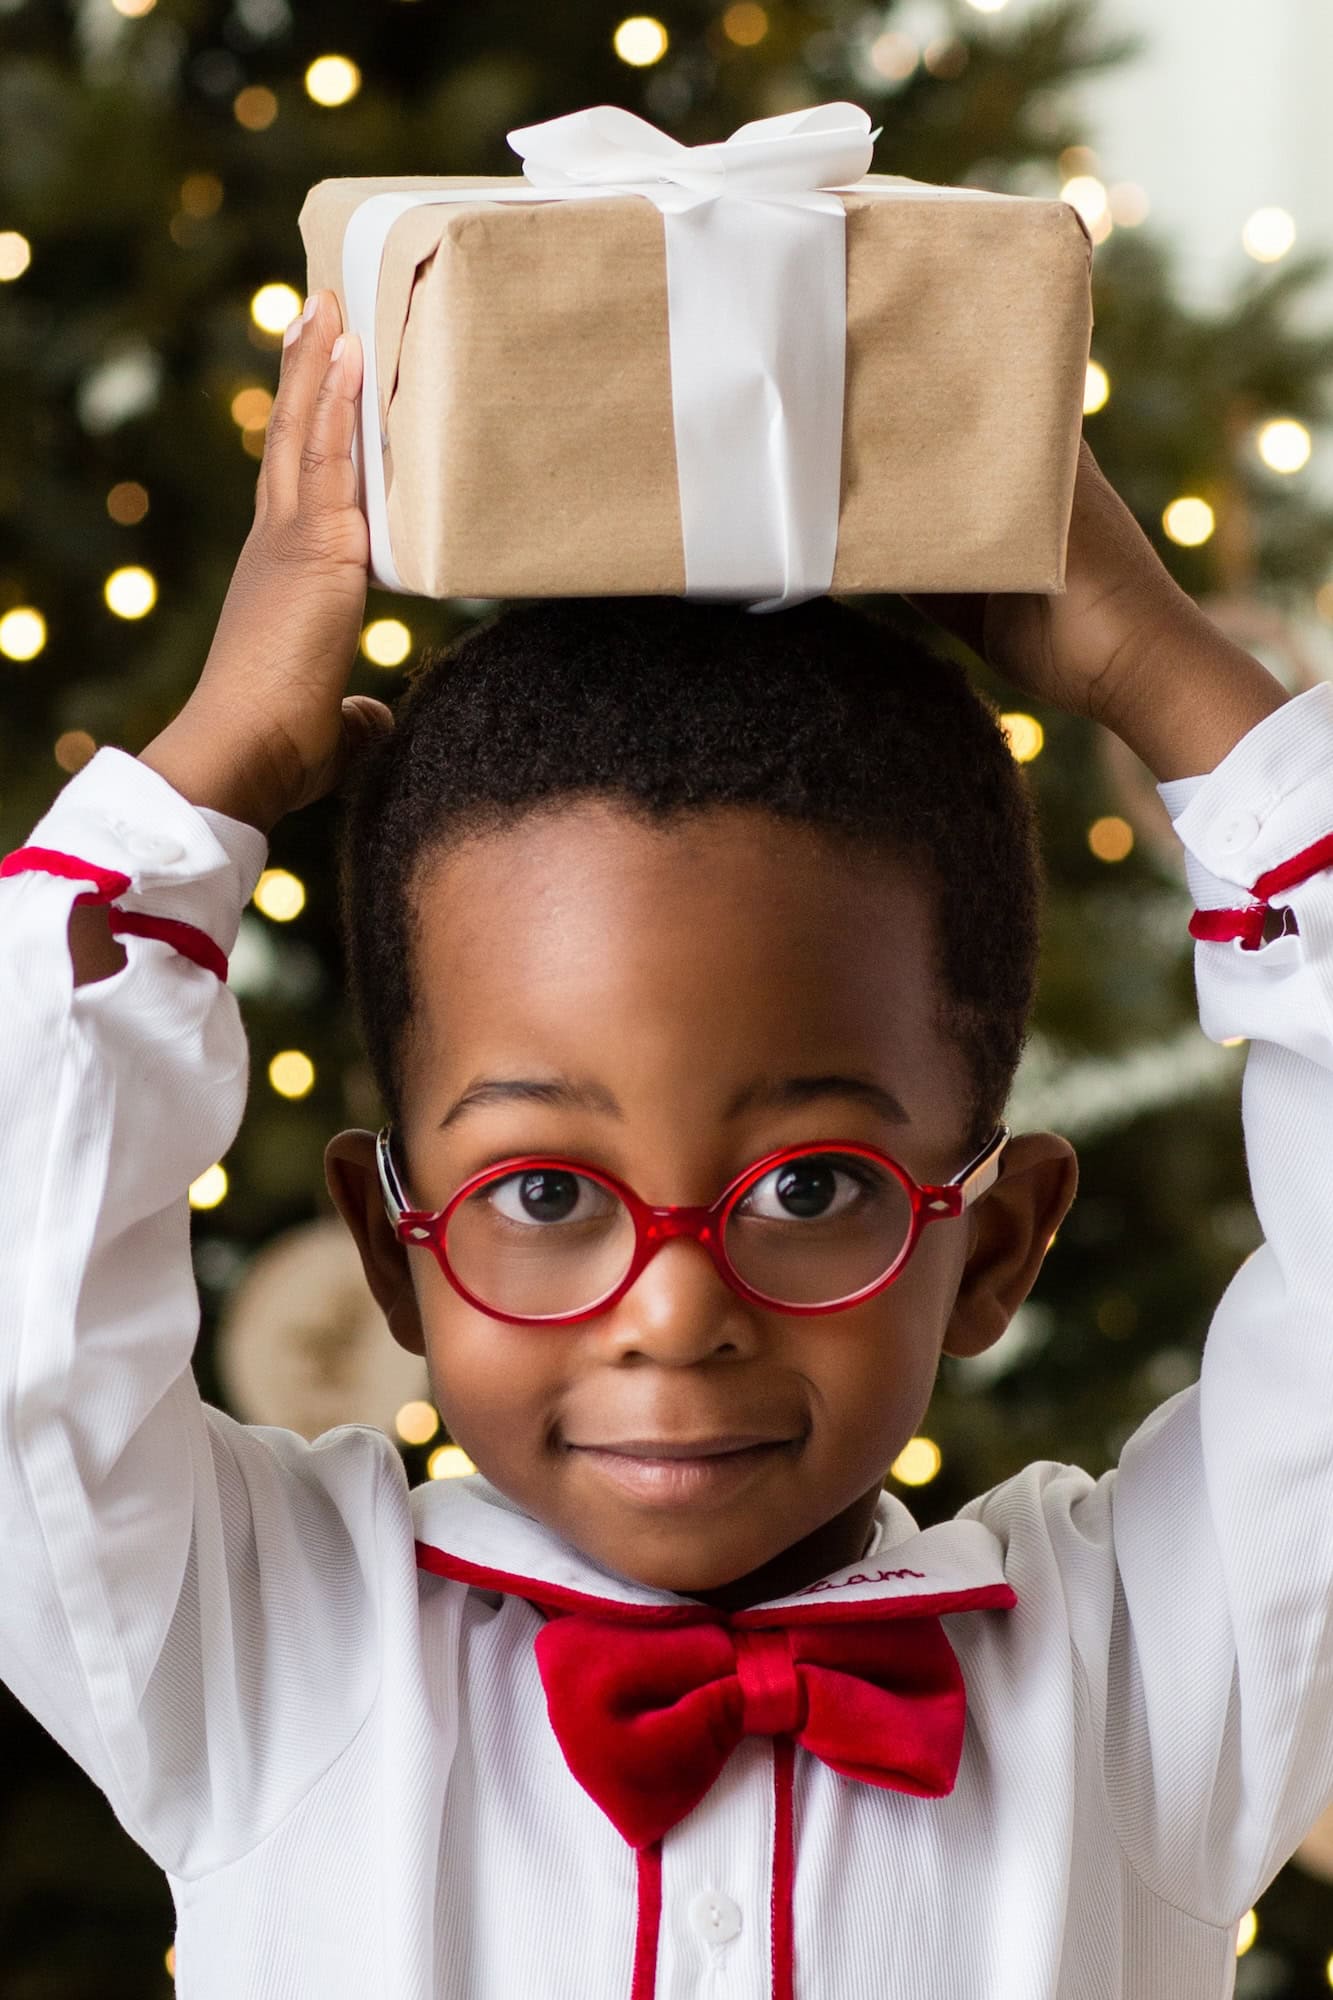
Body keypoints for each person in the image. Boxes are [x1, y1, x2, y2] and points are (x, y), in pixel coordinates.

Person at [0, 288, 1328, 2000]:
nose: (673, 1313)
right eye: (543, 1192)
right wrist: (189, 795)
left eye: (810, 1189)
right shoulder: (262, 1652)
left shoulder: (1146, 1685)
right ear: (396, 1244)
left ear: (993, 1242)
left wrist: (1163, 672)